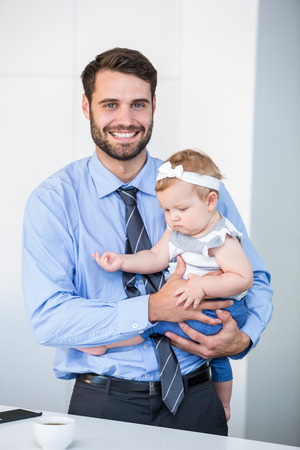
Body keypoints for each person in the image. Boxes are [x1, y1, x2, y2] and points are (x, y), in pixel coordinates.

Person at [22, 48, 273, 435]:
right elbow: (49, 319)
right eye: (110, 104)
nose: (126, 119)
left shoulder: (200, 188)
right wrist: (154, 307)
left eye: (138, 104)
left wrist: (242, 338)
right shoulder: (52, 202)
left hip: (197, 398)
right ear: (87, 107)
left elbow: (254, 278)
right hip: (103, 402)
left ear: (154, 105)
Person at [76, 149, 253, 421]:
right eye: (167, 210)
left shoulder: (220, 237)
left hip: (223, 307)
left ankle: (106, 345)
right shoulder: (178, 231)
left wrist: (202, 287)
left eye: (181, 209)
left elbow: (243, 278)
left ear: (211, 201)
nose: (173, 217)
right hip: (194, 302)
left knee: (153, 322)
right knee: (217, 357)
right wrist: (122, 261)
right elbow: (156, 257)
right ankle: (225, 406)